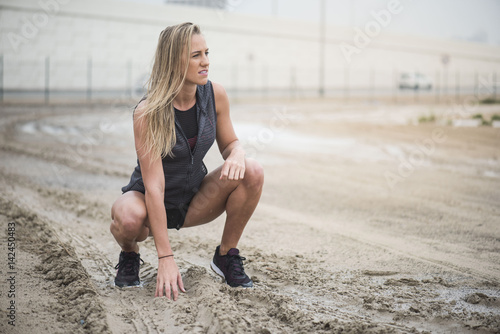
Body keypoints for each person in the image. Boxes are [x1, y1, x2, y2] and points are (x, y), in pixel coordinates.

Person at [110, 22, 264, 300]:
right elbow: (154, 187)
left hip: (193, 201)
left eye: (206, 53)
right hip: (148, 203)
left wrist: (238, 152)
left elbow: (230, 144)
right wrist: (165, 257)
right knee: (129, 219)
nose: (206, 61)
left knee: (252, 170)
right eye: (196, 55)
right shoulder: (147, 112)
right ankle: (130, 254)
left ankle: (225, 256)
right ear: (173, 61)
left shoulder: (215, 94)